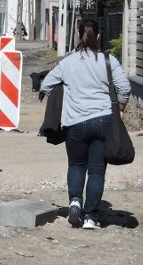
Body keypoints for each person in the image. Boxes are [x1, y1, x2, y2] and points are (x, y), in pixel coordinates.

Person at [39, 18, 131, 230]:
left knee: (76, 165)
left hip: (75, 123)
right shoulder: (109, 60)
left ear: (79, 36)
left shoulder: (68, 63)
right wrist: (121, 108)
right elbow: (124, 88)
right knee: (97, 171)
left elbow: (45, 85)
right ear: (99, 36)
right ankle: (90, 217)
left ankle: (75, 202)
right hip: (104, 122)